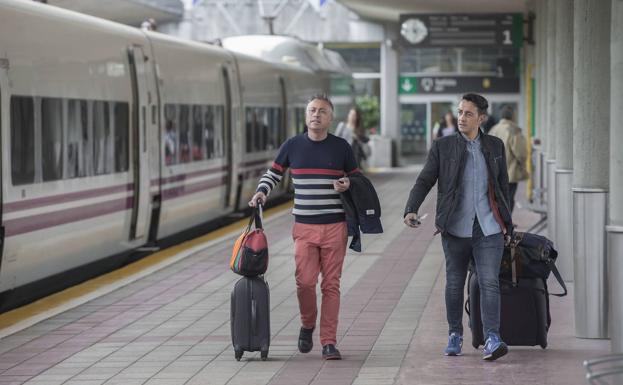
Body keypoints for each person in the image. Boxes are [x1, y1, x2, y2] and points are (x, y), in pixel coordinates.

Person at [249, 94, 360, 360]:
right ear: (306, 115)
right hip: (304, 227)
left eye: (322, 111)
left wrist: (348, 184)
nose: (316, 115)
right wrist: (261, 192)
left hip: (335, 226)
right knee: (305, 283)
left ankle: (329, 341)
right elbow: (273, 173)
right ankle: (307, 323)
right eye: (312, 110)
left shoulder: (342, 147)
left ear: (331, 117)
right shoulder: (292, 145)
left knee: (331, 285)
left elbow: (357, 180)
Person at [403, 93, 513, 361]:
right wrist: (411, 208)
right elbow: (425, 179)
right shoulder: (443, 146)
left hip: (488, 227)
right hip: (455, 227)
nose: (461, 118)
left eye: (468, 113)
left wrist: (507, 224)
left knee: (489, 282)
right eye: (460, 112)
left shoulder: (495, 145)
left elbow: (502, 187)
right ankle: (455, 334)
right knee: (454, 283)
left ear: (482, 118)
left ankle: (492, 337)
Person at [488, 106, 529, 213]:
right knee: (509, 199)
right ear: (512, 116)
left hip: (495, 171)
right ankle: (507, 223)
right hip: (510, 171)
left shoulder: (493, 129)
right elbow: (521, 152)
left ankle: (498, 222)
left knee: (497, 198)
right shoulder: (513, 130)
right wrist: (523, 163)